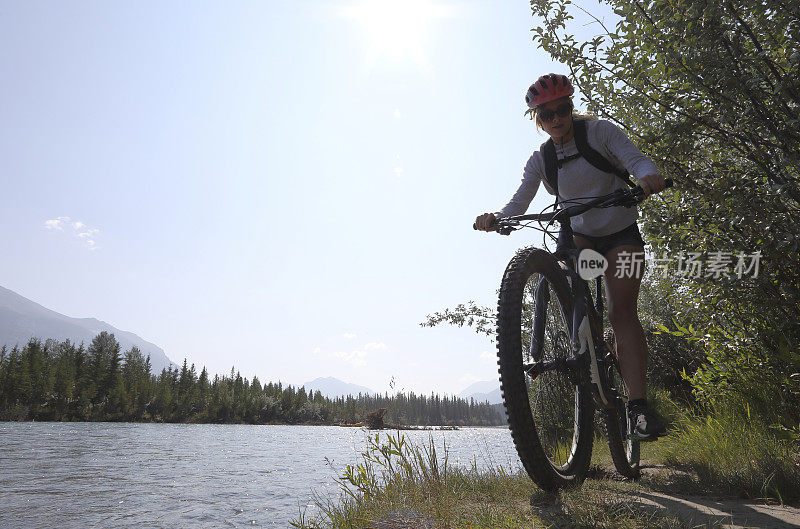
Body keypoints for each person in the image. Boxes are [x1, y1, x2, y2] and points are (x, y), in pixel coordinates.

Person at [475, 73, 667, 441]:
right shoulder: (541, 158)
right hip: (578, 237)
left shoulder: (600, 133)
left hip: (619, 235)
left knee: (621, 310)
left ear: (571, 107)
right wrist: (497, 218)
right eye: (546, 115)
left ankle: (638, 408)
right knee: (557, 272)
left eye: (562, 109)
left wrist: (648, 177)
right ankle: (585, 340)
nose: (555, 119)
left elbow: (636, 160)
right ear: (536, 119)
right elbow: (520, 201)